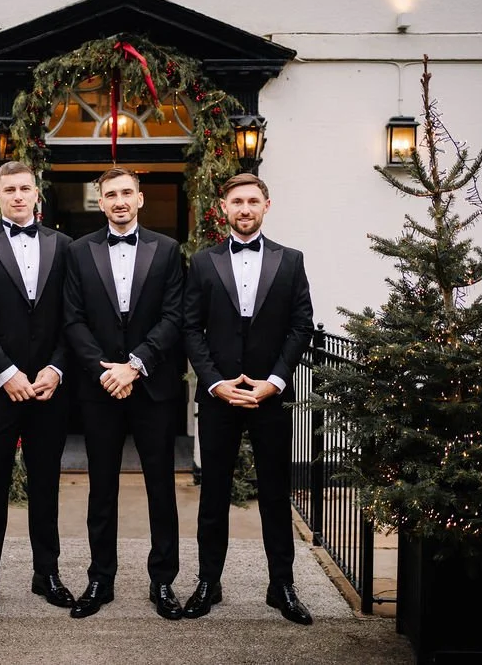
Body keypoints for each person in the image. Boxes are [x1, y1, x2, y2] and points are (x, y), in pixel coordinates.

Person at [181, 172, 316, 625]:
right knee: (213, 494)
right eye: (236, 201)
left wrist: (274, 380)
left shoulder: (291, 260)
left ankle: (282, 586)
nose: (244, 209)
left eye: (252, 201)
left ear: (266, 206)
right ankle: (207, 583)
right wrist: (216, 382)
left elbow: (301, 325)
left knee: (276, 494)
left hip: (270, 397)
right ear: (223, 208)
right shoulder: (202, 263)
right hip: (218, 396)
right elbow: (190, 328)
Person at [64, 166, 185, 620]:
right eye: (110, 194)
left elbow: (174, 316)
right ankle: (100, 579)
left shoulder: (168, 249)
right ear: (101, 201)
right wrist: (105, 371)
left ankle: (163, 582)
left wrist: (134, 366)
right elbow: (72, 318)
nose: (118, 200)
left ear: (140, 199)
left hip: (152, 386)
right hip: (100, 389)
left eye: (126, 193)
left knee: (161, 487)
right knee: (102, 488)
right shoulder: (78, 252)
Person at [0, 160, 74, 619]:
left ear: (37, 194)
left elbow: (73, 315)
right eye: (11, 189)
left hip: (49, 386)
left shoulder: (64, 246)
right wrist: (7, 373)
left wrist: (56, 369)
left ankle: (47, 573)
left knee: (46, 482)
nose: (19, 195)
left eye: (26, 188)